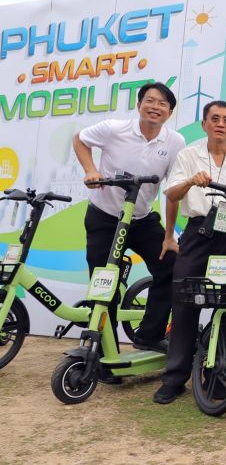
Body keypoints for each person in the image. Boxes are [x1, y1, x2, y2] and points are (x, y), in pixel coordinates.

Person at [153, 100, 226, 404]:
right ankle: (174, 379)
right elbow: (171, 195)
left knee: (225, 306)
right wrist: (191, 180)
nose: (220, 124)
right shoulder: (189, 156)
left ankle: (216, 377)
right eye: (214, 119)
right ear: (204, 124)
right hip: (197, 234)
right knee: (185, 305)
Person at [73, 82, 185, 363]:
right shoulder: (114, 129)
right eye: (150, 101)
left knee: (171, 266)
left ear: (169, 112)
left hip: (142, 218)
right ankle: (104, 352)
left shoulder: (175, 142)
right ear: (138, 105)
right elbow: (80, 138)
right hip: (105, 216)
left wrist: (170, 235)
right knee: (104, 282)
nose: (155, 107)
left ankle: (150, 333)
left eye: (162, 104)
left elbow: (172, 190)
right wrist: (91, 170)